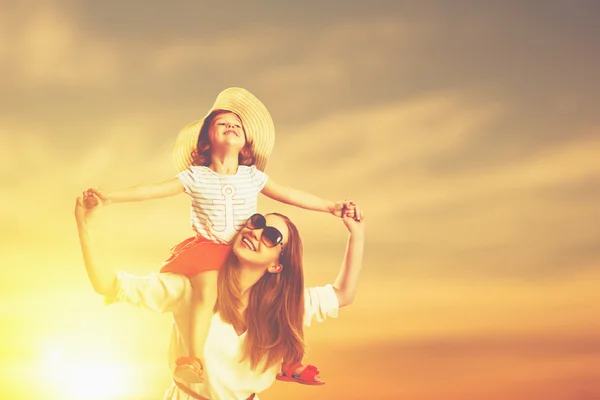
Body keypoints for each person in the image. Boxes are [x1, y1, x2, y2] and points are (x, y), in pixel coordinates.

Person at [83, 87, 355, 384]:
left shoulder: (252, 177)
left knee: (278, 297)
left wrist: (330, 207)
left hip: (240, 248)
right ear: (205, 140)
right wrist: (111, 198)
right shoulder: (195, 177)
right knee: (206, 293)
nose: (230, 126)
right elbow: (151, 189)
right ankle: (193, 359)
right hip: (209, 250)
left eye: (237, 124)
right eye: (221, 123)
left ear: (245, 143)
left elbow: (289, 195)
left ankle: (288, 361)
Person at [74, 193, 365, 400]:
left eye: (272, 236)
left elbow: (343, 293)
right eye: (257, 221)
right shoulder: (190, 290)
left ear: (277, 264)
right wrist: (83, 225)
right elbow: (108, 285)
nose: (257, 232)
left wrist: (356, 233)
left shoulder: (284, 307)